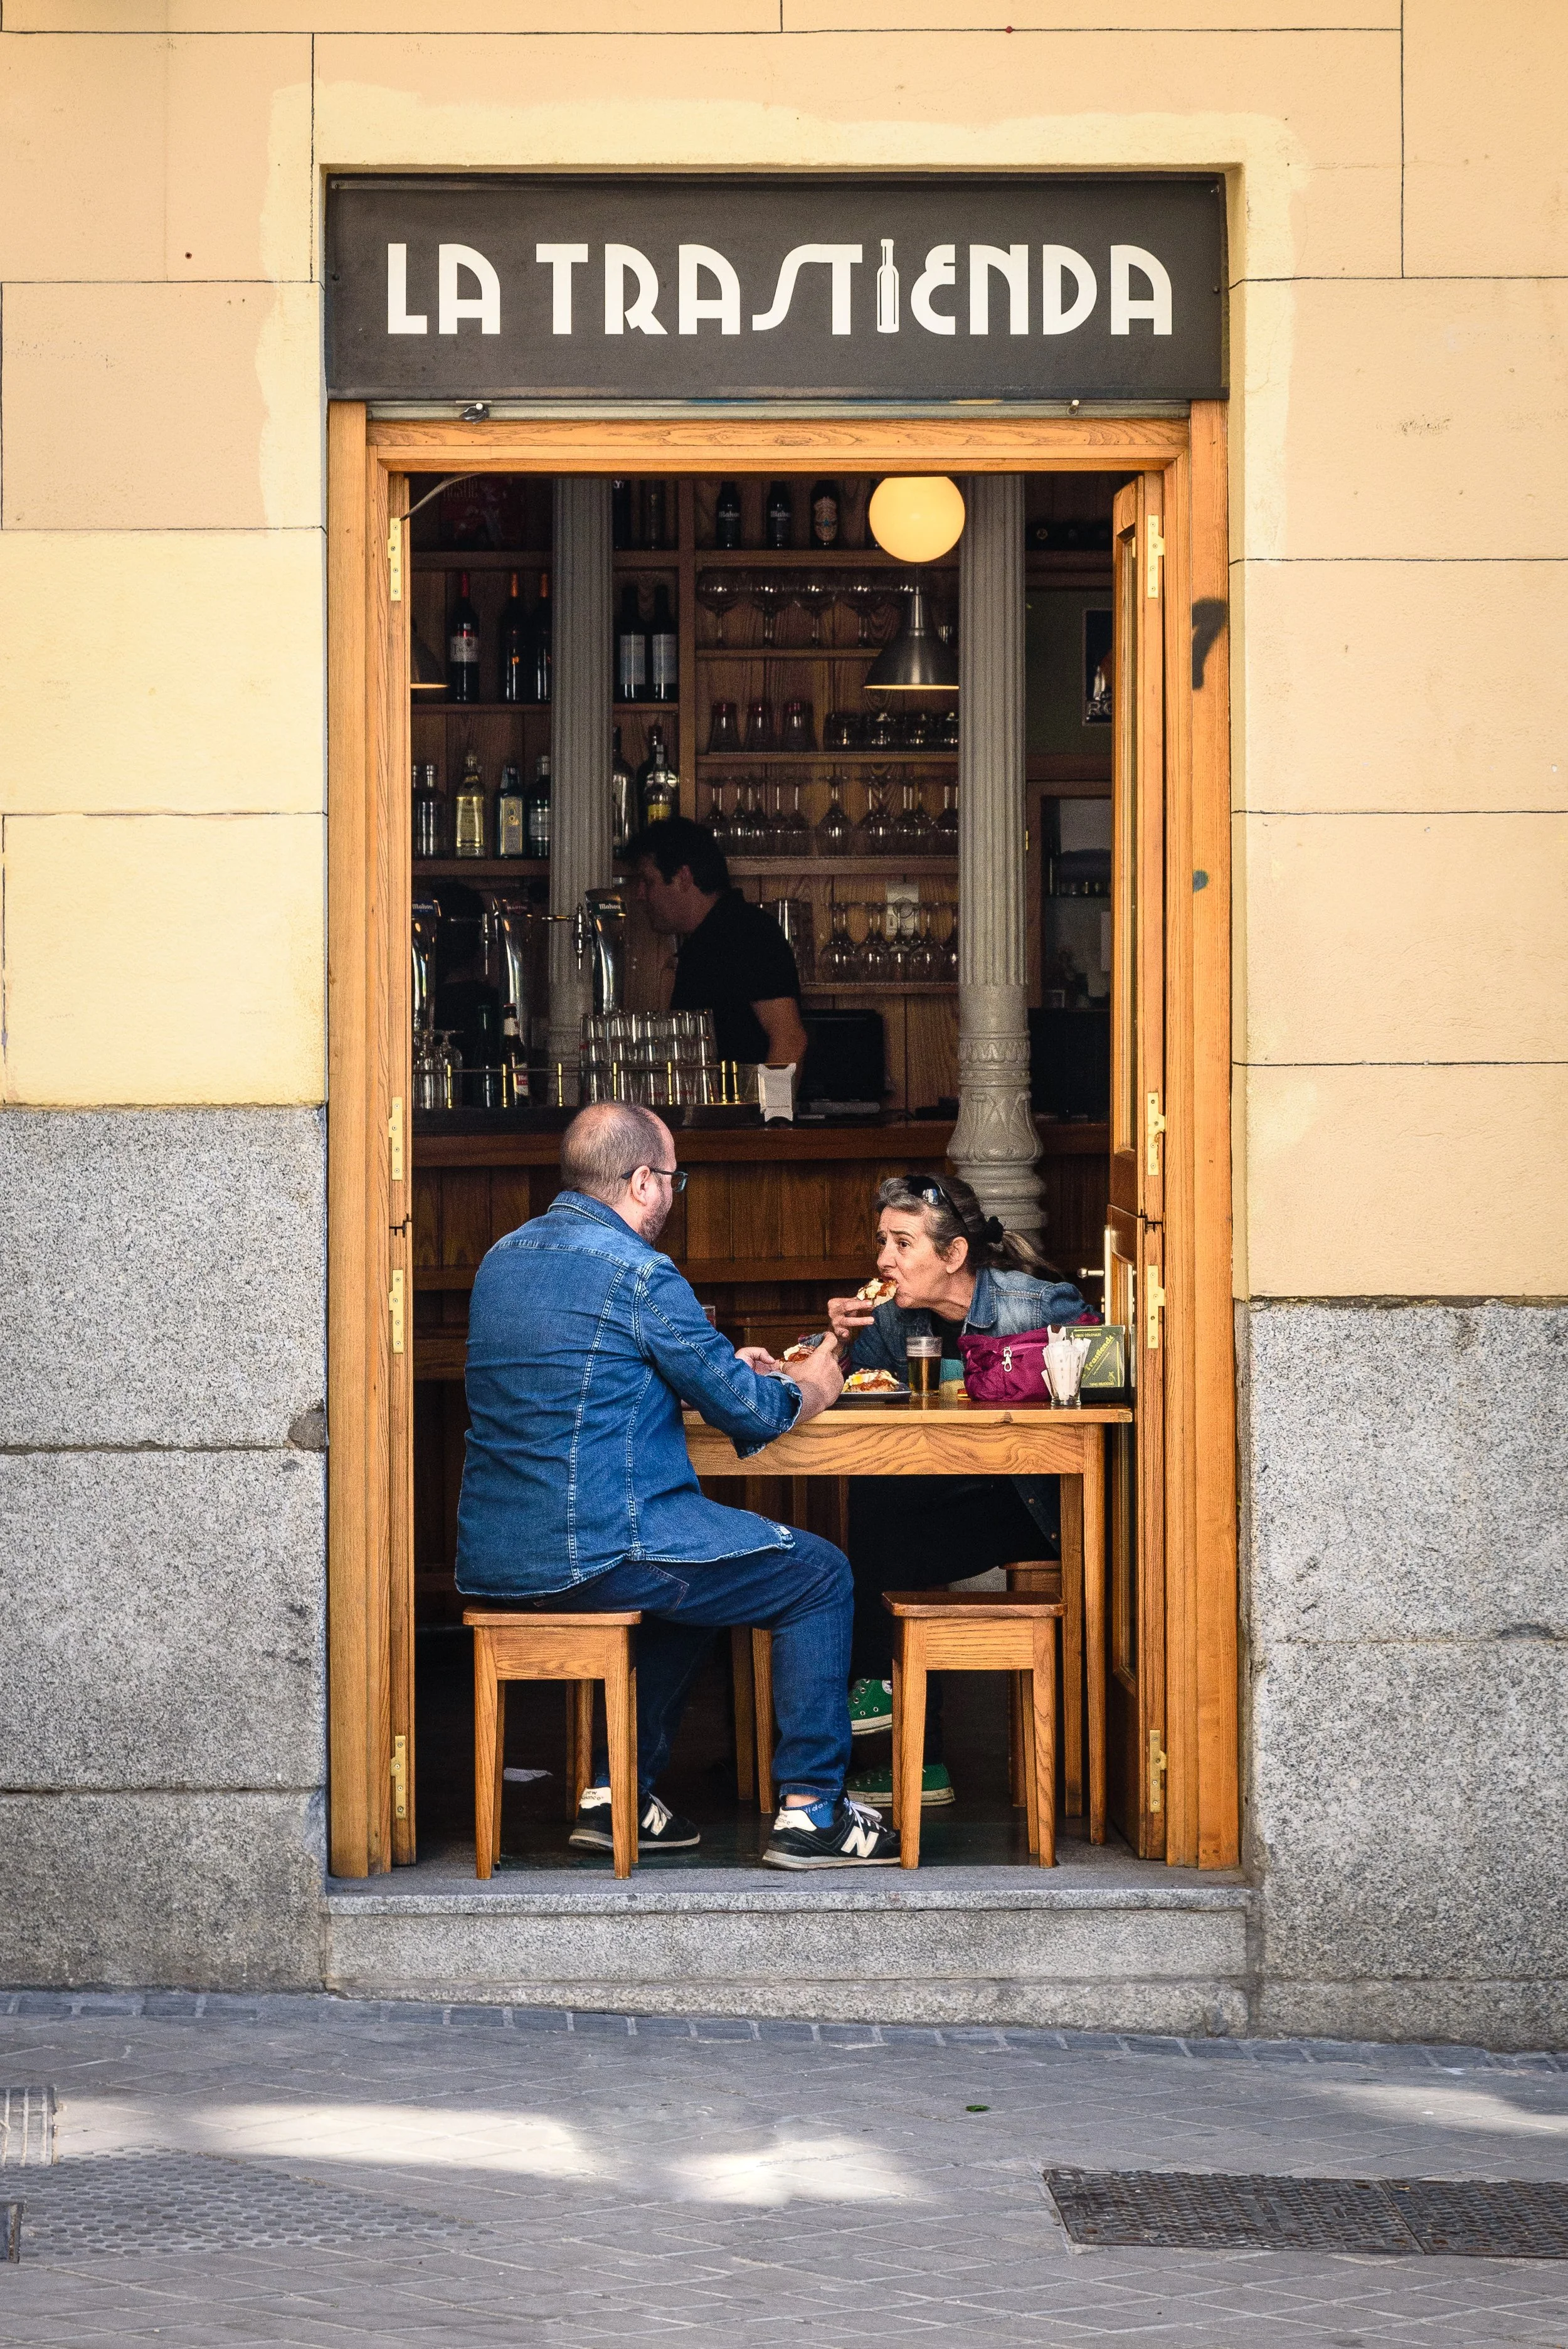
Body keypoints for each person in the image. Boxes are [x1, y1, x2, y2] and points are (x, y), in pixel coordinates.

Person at [455, 1099, 901, 1870]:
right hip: (603, 1543)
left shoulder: (504, 1257)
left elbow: (588, 1379)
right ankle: (811, 1811)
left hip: (499, 1552)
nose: (671, 1194)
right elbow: (751, 1414)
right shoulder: (637, 1270)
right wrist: (812, 1385)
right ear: (640, 1182)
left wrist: (731, 1367)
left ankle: (616, 1797)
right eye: (672, 1179)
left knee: (693, 1587)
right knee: (819, 1575)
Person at [823, 1172, 1085, 1811]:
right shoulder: (890, 1316)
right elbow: (842, 1383)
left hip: (1033, 1501)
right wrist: (838, 1339)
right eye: (882, 1241)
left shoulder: (1035, 1303)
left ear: (954, 1255)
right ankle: (912, 1744)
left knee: (887, 1523)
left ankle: (902, 1728)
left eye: (902, 1243)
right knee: (883, 1502)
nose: (884, 1259)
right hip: (957, 1491)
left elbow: (1095, 1369)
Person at [627, 817, 809, 1070]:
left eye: (648, 881)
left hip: (745, 1109)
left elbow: (789, 1040)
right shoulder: (708, 938)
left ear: (683, 877)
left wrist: (772, 1110)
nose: (640, 895)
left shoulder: (748, 932)